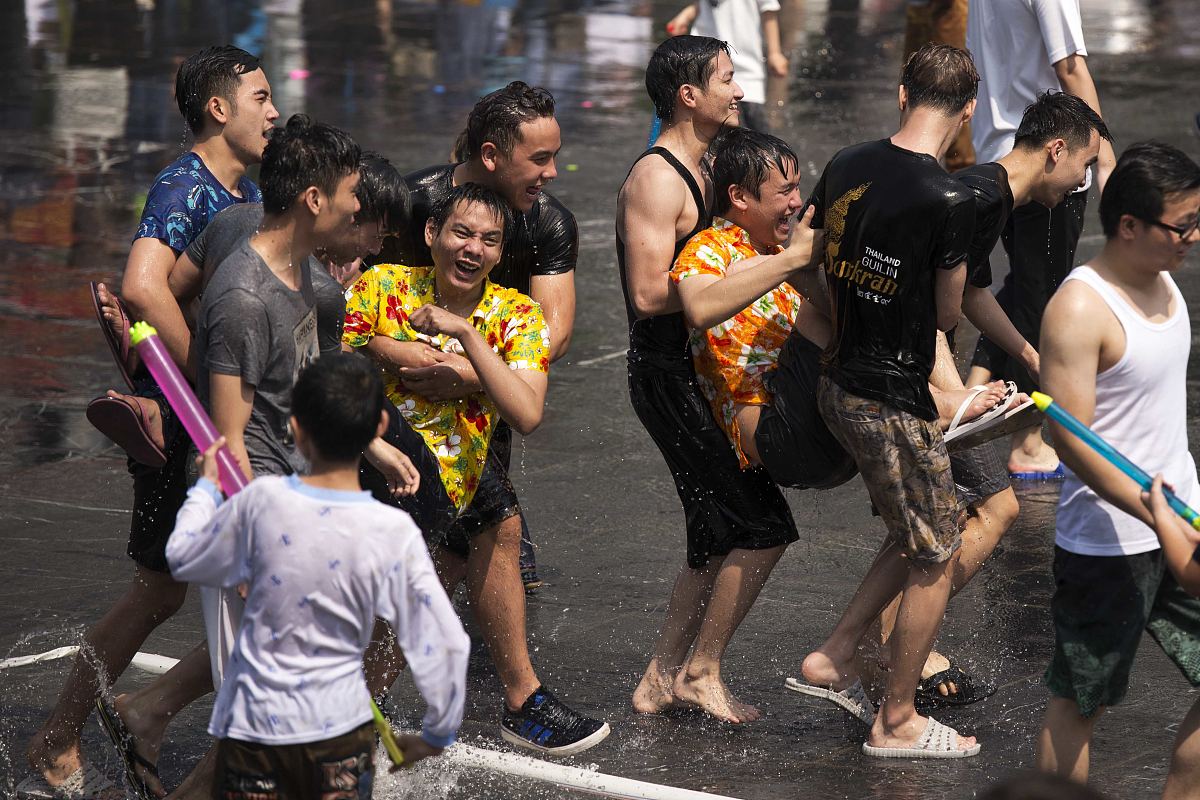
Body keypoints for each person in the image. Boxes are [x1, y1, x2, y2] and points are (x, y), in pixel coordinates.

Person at [24, 46, 277, 800]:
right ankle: (66, 734)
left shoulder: (239, 187)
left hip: (207, 415)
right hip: (189, 416)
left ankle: (130, 718)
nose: (273, 110)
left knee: (166, 591)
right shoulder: (186, 185)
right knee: (164, 591)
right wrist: (208, 370)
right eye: (259, 97)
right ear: (218, 109)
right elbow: (141, 286)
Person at [344, 183, 610, 756]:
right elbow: (329, 356)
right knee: (490, 527)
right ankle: (520, 699)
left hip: (453, 478)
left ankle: (364, 697)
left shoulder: (516, 315)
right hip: (371, 462)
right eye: (461, 233)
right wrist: (395, 352)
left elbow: (528, 411)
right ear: (431, 234)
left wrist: (464, 345)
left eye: (490, 240)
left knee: (462, 548)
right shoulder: (382, 285)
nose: (473, 249)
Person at [165, 354, 470, 799]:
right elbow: (445, 643)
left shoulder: (261, 502)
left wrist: (207, 490)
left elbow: (183, 557)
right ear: (380, 426)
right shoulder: (391, 532)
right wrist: (436, 733)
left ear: (296, 429)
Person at [794, 43, 983, 758]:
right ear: (966, 111)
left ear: (903, 95)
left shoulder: (846, 160)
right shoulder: (952, 199)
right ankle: (896, 720)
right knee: (940, 546)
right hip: (892, 399)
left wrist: (845, 310)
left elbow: (801, 251)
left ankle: (838, 650)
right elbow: (944, 310)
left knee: (922, 524)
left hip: (838, 378)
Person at [619, 35, 805, 725]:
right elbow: (645, 294)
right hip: (667, 376)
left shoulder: (709, 165)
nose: (740, 89)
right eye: (727, 78)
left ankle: (659, 678)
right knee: (761, 523)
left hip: (698, 374)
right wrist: (735, 280)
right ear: (688, 95)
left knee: (711, 533)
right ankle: (702, 671)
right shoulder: (659, 178)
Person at [1034, 141, 1200, 798]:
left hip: (1180, 515)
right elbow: (1074, 442)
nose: (1193, 237)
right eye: (1181, 226)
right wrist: (1149, 510)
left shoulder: (1162, 277)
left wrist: (1174, 512)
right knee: (1082, 700)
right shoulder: (1080, 309)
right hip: (1108, 542)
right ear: (1128, 225)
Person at [379, 81, 578, 592]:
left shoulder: (550, 222)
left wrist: (472, 372)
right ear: (491, 154)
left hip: (489, 386)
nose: (551, 173)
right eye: (540, 159)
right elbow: (360, 308)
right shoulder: (414, 202)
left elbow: (551, 335)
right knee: (469, 540)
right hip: (401, 389)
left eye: (554, 158)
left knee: (478, 552)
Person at [965, 0, 1118, 478]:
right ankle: (1027, 440)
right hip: (1052, 158)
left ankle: (973, 391)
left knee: (1026, 285)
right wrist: (1105, 156)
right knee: (1044, 298)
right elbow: (1070, 67)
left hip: (999, 148)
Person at [664, 0, 789, 131]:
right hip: (705, 62)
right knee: (704, 124)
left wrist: (774, 52)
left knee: (754, 129)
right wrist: (686, 16)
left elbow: (768, 9)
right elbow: (703, 4)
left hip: (746, 67)